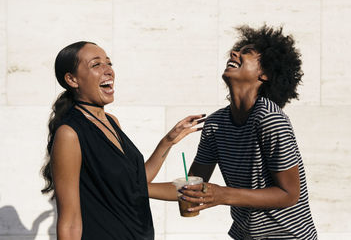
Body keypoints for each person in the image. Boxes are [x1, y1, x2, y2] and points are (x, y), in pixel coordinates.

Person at [41, 41, 205, 240]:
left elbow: (135, 182)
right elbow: (70, 221)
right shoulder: (69, 133)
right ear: (72, 79)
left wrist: (168, 141)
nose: (108, 70)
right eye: (96, 65)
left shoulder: (112, 122)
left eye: (108, 63)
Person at [180, 25, 318, 239]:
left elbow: (290, 195)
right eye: (238, 50)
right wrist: (136, 185)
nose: (234, 53)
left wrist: (223, 195)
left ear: (265, 74)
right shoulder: (215, 123)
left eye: (247, 52)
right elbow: (192, 185)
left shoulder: (270, 118)